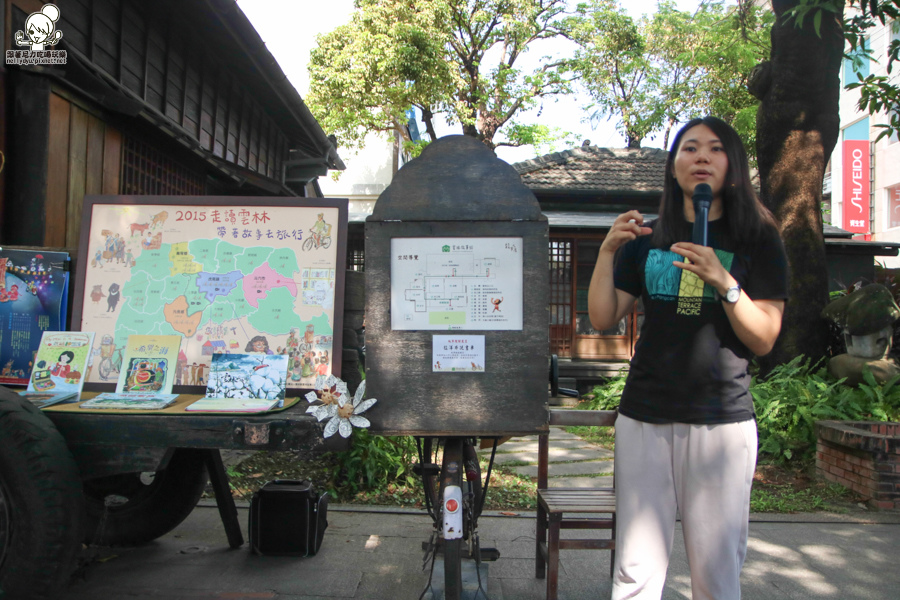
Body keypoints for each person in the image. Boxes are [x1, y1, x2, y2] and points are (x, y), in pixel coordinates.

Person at [587, 116, 788, 600]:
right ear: (674, 166)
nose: (702, 157)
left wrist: (725, 282)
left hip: (720, 421)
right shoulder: (647, 238)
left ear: (732, 166)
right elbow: (602, 317)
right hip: (644, 415)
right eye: (690, 147)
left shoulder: (759, 238)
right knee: (635, 569)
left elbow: (764, 338)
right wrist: (607, 251)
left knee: (716, 572)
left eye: (715, 149)